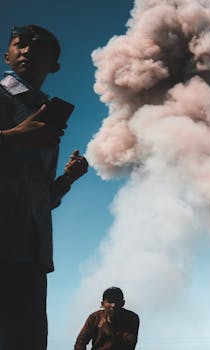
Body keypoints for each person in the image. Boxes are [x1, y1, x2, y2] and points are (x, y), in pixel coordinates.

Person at [0, 25, 88, 350]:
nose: (27, 51)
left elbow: (38, 198)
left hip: (31, 256)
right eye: (20, 45)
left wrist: (67, 179)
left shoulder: (45, 115)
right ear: (7, 55)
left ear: (54, 64)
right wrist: (11, 137)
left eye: (39, 48)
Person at [74, 287, 140, 350]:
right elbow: (80, 343)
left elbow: (131, 344)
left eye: (117, 301)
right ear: (102, 304)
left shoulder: (132, 318)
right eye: (110, 301)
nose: (113, 305)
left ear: (123, 303)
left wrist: (110, 327)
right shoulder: (94, 318)